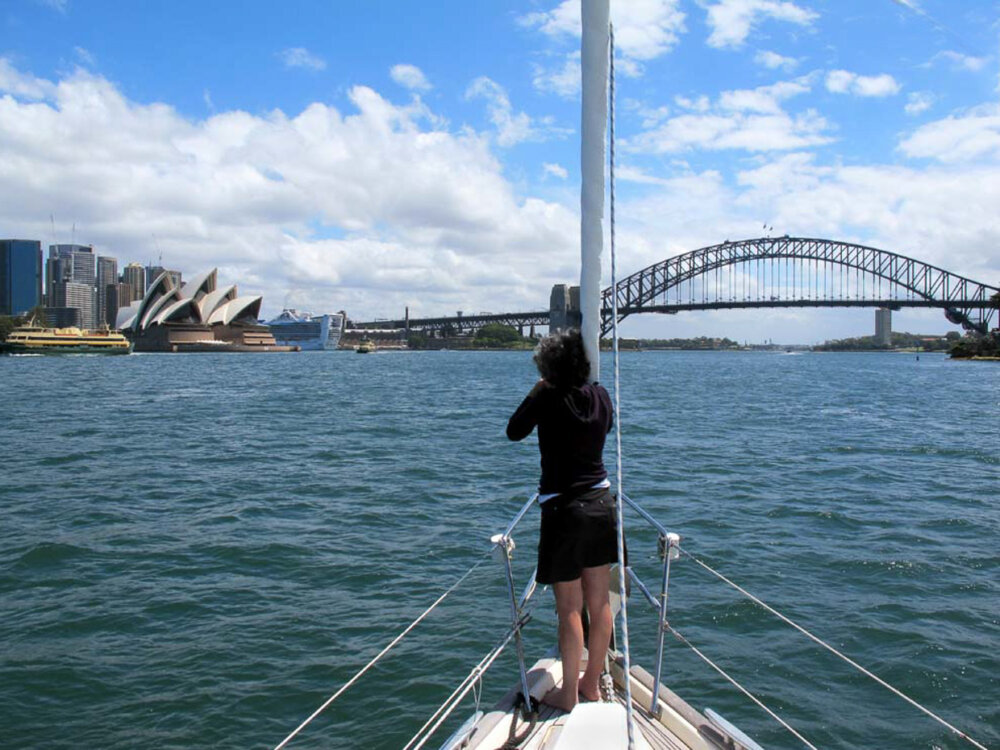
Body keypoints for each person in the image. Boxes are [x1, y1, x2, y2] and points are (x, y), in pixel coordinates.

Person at [506, 329, 618, 712]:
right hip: (602, 505)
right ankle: (592, 684)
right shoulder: (601, 395)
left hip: (564, 512)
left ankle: (568, 692)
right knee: (600, 601)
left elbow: (514, 431)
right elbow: (608, 427)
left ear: (548, 367)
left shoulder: (548, 397)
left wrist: (538, 391)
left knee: (569, 607)